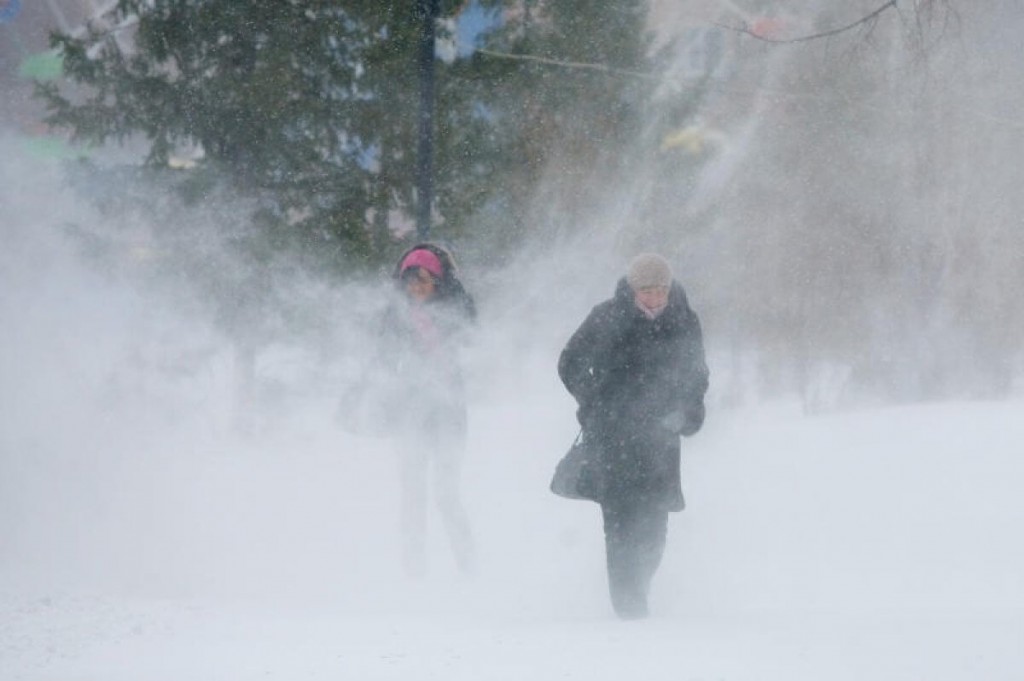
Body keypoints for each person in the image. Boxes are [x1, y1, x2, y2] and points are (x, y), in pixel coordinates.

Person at [557, 253, 709, 619]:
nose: (655, 298)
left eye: (660, 291)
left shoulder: (684, 320)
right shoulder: (607, 316)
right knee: (621, 527)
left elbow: (697, 374)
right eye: (647, 291)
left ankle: (638, 591)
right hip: (614, 439)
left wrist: (688, 411)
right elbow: (569, 362)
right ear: (633, 290)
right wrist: (595, 401)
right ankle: (629, 613)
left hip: (661, 439)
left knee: (655, 532)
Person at [376, 243, 477, 577]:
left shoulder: (456, 305)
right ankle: (414, 568)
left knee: (447, 493)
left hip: (448, 414)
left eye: (425, 281)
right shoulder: (395, 313)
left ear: (439, 281)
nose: (417, 289)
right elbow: (384, 358)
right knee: (412, 493)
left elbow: (472, 337)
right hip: (411, 416)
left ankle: (468, 566)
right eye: (411, 282)